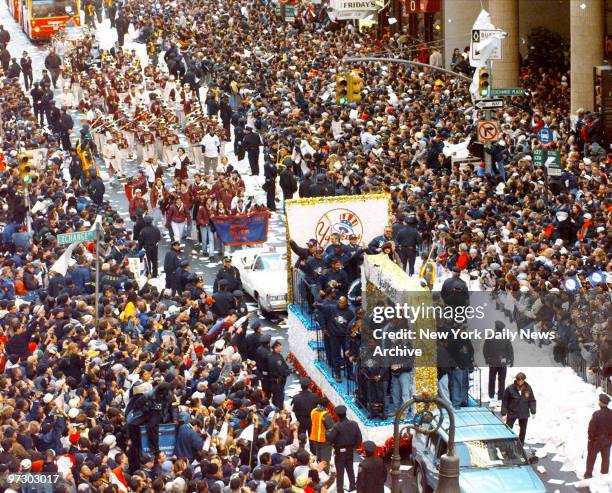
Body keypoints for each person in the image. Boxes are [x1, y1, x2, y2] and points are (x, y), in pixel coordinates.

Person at [328, 405, 362, 493]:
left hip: (340, 452)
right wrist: (354, 446)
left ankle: (340, 490)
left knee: (340, 473)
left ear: (337, 415)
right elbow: (359, 438)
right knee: (350, 470)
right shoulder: (354, 424)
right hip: (350, 450)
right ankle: (353, 487)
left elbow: (331, 438)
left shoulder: (336, 427)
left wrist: (328, 434)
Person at [501, 372, 536, 444]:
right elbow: (505, 401)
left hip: (524, 412)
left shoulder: (528, 388)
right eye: (518, 380)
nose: (520, 382)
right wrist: (504, 413)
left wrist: (533, 411)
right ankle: (507, 443)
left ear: (524, 380)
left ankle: (521, 444)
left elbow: (532, 400)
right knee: (508, 429)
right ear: (516, 380)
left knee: (523, 431)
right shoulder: (510, 388)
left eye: (522, 380)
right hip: (512, 412)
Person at [483, 321, 514, 403]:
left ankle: (491, 394)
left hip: (492, 362)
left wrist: (487, 359)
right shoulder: (506, 338)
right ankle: (501, 396)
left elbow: (485, 350)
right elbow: (510, 351)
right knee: (502, 380)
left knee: (492, 378)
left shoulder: (490, 337)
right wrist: (510, 360)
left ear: (496, 328)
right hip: (502, 362)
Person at [585, 393, 612, 479]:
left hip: (596, 441)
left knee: (591, 459)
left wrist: (590, 439)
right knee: (605, 460)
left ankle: (588, 475)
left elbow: (591, 428)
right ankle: (604, 477)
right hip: (607, 441)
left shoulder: (597, 414)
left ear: (601, 402)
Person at [268, 340, 291, 410]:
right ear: (276, 348)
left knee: (275, 397)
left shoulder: (270, 355)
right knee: (279, 398)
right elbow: (282, 371)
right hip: (278, 382)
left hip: (273, 381)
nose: (281, 348)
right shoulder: (278, 359)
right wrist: (289, 371)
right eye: (280, 347)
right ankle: (279, 411)